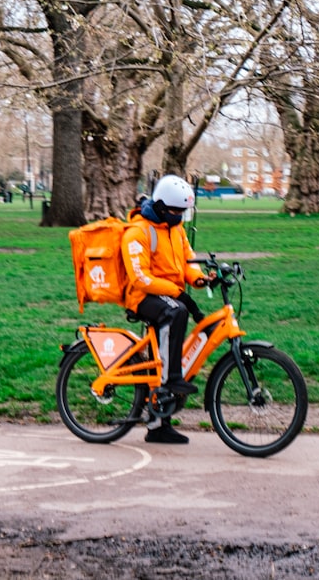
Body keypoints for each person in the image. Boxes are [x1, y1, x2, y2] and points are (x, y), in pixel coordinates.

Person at [122, 175, 213, 445]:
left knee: (179, 311)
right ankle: (171, 378)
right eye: (174, 211)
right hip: (142, 296)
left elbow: (187, 261)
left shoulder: (176, 230)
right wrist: (177, 293)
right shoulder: (138, 232)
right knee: (176, 312)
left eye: (182, 212)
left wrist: (198, 279)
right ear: (160, 206)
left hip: (166, 293)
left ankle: (159, 426)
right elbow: (139, 278)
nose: (179, 216)